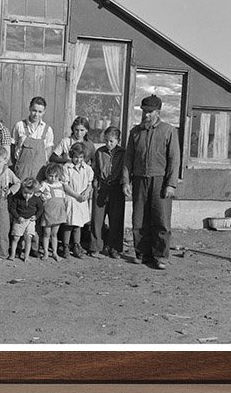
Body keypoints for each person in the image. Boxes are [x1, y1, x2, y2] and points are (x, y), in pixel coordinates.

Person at [123, 94, 181, 270]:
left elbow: (174, 159)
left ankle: (161, 256)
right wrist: (126, 181)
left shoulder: (168, 131)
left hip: (160, 181)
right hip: (140, 180)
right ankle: (142, 254)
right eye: (144, 111)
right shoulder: (135, 132)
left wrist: (171, 184)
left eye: (149, 112)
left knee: (161, 219)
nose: (146, 115)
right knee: (139, 219)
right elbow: (128, 158)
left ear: (158, 112)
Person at [91, 126, 125, 257]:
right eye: (106, 141)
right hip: (102, 186)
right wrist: (95, 181)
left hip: (116, 187)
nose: (108, 144)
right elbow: (94, 169)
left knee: (116, 218)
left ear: (118, 140)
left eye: (111, 141)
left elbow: (126, 170)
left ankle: (114, 247)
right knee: (97, 218)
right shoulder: (100, 152)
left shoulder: (123, 153)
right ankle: (96, 246)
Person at [61, 142, 94, 258]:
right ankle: (65, 245)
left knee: (78, 225)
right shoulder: (67, 168)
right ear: (71, 156)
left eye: (81, 157)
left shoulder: (87, 169)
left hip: (82, 199)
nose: (78, 160)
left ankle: (76, 245)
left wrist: (86, 192)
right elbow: (65, 185)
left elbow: (90, 184)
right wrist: (76, 195)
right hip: (71, 198)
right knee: (69, 224)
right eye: (75, 157)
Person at [10, 96, 54, 181]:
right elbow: (12, 147)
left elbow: (49, 150)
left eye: (40, 112)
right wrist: (14, 166)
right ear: (30, 108)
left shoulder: (47, 130)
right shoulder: (19, 126)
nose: (36, 114)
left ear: (44, 112)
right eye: (34, 110)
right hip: (22, 170)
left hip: (39, 171)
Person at [8, 177, 44, 261]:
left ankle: (26, 256)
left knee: (28, 238)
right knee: (16, 238)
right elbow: (12, 208)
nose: (27, 195)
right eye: (25, 193)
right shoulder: (17, 197)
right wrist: (17, 217)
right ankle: (12, 254)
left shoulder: (36, 199)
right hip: (19, 220)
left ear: (33, 192)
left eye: (30, 193)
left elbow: (40, 209)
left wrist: (36, 216)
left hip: (30, 221)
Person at [37, 163, 68, 261]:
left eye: (55, 176)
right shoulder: (45, 184)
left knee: (54, 234)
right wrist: (41, 196)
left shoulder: (61, 184)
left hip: (58, 212)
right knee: (46, 234)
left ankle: (54, 252)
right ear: (47, 175)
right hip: (48, 212)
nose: (53, 178)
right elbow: (38, 193)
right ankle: (46, 252)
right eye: (51, 176)